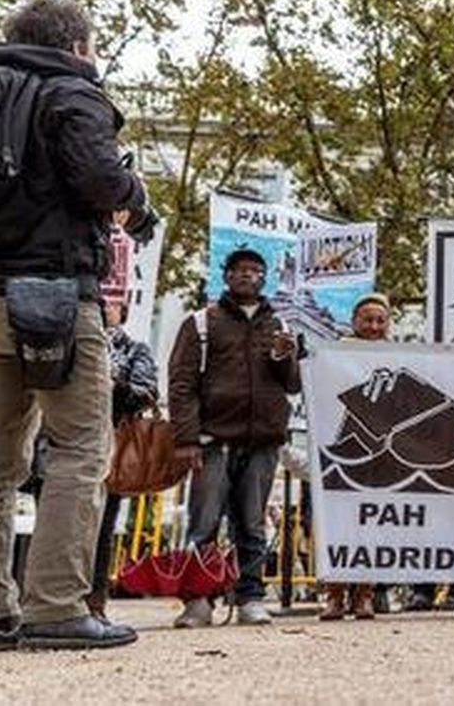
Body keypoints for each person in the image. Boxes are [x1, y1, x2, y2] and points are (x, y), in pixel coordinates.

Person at [0, 0, 156, 650]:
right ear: (78, 46)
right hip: (58, 295)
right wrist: (136, 198)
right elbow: (101, 179)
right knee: (81, 447)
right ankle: (56, 605)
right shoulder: (72, 91)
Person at [167, 248, 302, 628]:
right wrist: (186, 438)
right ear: (225, 276)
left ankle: (250, 598)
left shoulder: (280, 325)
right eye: (239, 269)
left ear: (264, 279)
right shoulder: (201, 322)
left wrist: (283, 357)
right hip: (212, 439)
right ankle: (198, 601)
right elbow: (181, 383)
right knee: (204, 523)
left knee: (253, 524)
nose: (247, 275)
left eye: (255, 270)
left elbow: (293, 383)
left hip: (263, 440)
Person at [319, 293, 391, 622]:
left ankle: (364, 594)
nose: (374, 326)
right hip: (341, 446)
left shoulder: (401, 356)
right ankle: (334, 594)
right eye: (368, 319)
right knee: (337, 522)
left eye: (381, 320)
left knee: (372, 525)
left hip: (382, 452)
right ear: (354, 321)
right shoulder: (333, 354)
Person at [88, 298, 158, 623]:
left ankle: (93, 602)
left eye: (113, 302)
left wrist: (115, 385)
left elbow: (147, 393)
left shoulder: (134, 350)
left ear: (124, 310)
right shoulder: (68, 340)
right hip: (57, 446)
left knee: (101, 528)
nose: (105, 307)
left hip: (112, 448)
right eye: (100, 300)